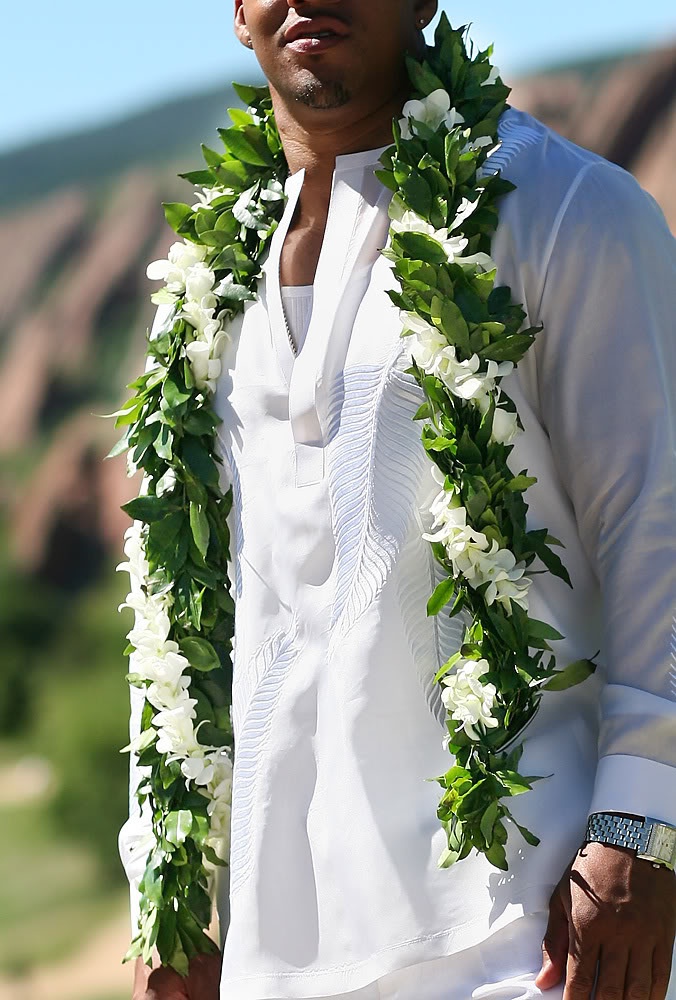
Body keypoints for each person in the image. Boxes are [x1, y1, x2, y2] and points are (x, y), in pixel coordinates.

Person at [121, 1, 676, 998]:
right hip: (270, 953)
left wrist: (642, 822)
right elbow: (189, 600)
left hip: (528, 932)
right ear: (237, 10)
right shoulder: (205, 278)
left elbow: (658, 527)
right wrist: (171, 895)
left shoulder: (562, 209)